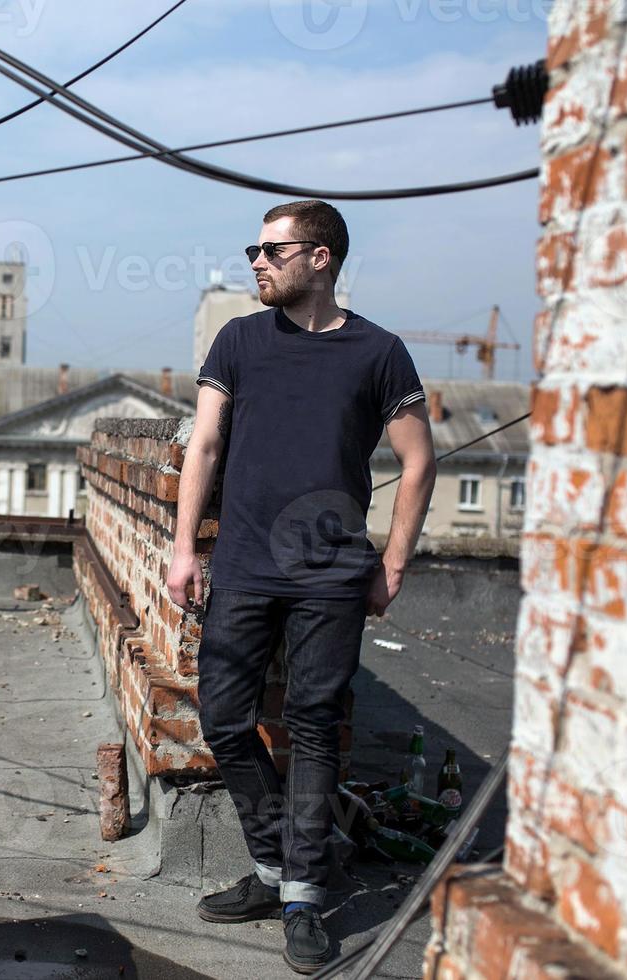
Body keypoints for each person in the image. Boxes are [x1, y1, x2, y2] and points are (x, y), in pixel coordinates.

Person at [166, 200, 436, 974]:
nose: (256, 261)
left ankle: (303, 896)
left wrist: (391, 566)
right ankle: (276, 865)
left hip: (331, 577)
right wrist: (185, 549)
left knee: (315, 728)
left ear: (321, 259)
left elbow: (419, 462)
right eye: (254, 248)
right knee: (222, 720)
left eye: (272, 250)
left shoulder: (378, 352)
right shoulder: (240, 340)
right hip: (244, 564)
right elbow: (206, 445)